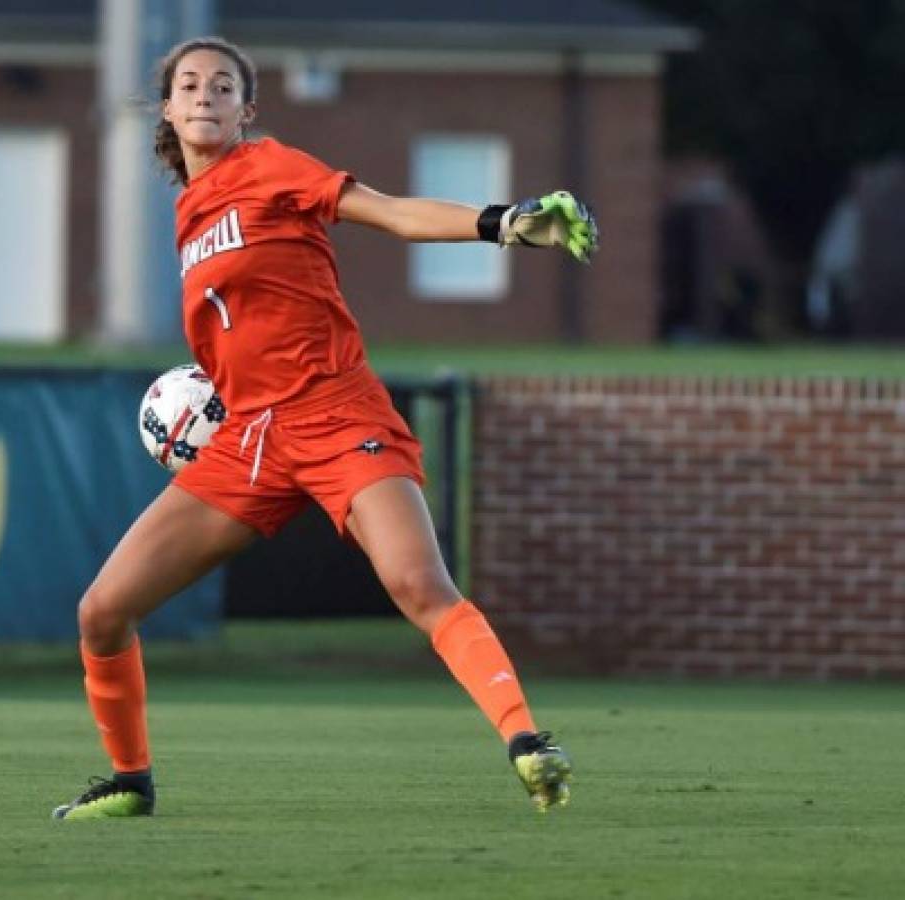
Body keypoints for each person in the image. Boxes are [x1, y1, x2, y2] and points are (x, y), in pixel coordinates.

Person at [52, 37, 598, 821]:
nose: (205, 95)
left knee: (418, 585)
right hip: (249, 439)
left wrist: (503, 221)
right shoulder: (186, 211)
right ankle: (129, 782)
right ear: (167, 110)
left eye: (223, 85)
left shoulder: (270, 165)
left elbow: (394, 214)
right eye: (189, 85)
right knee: (102, 611)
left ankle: (527, 742)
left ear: (248, 109)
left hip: (338, 414)